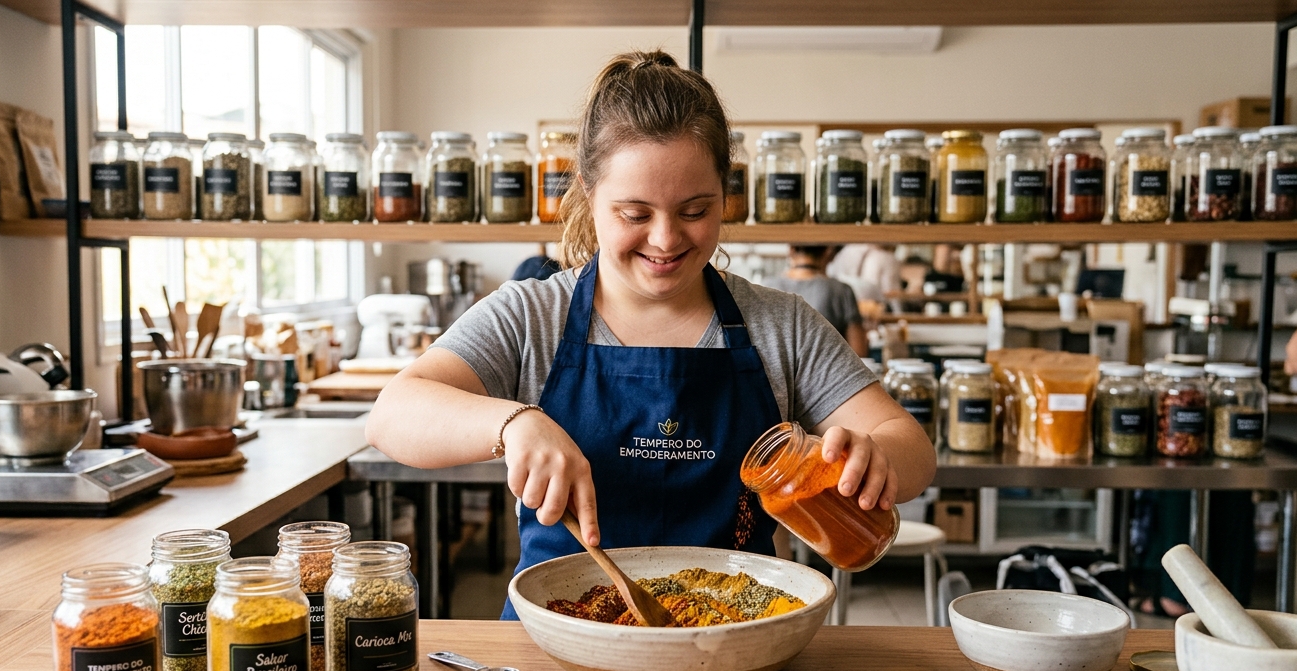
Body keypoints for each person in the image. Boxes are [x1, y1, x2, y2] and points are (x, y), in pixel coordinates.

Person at [365, 50, 936, 619]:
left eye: (694, 210)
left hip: (734, 643)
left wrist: (873, 455)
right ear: (589, 192)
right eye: (635, 214)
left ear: (725, 191)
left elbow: (912, 449)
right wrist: (513, 422)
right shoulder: (531, 316)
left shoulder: (780, 325)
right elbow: (393, 415)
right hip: (564, 643)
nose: (664, 239)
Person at [763, 245, 869, 357]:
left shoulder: (767, 286)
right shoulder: (841, 290)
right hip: (828, 372)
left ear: (791, 250)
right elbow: (858, 351)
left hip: (778, 372)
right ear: (828, 252)